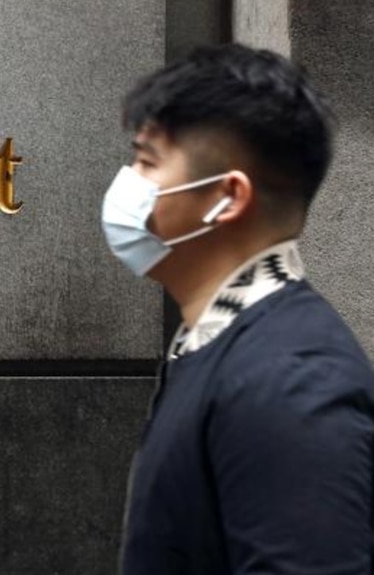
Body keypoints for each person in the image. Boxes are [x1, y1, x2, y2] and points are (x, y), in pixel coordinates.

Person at [102, 43, 374, 574]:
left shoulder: (292, 378)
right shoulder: (222, 347)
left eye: (147, 162)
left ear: (227, 197)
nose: (126, 184)